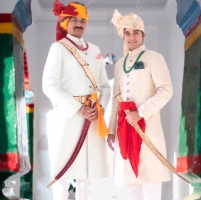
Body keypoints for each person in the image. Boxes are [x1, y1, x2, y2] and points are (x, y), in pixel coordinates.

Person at [42, 1, 111, 200]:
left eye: (83, 20)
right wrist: (78, 109)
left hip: (92, 117)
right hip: (67, 117)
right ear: (65, 22)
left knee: (86, 175)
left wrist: (100, 108)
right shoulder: (58, 48)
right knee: (62, 174)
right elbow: (49, 85)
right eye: (75, 20)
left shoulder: (95, 49)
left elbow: (105, 86)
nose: (79, 24)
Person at [107, 9, 173, 200]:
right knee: (132, 184)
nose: (131, 36)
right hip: (124, 130)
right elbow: (115, 98)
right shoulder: (119, 64)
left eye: (136, 32)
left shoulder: (154, 58)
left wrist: (141, 112)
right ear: (123, 35)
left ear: (143, 34)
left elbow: (166, 90)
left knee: (151, 181)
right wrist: (111, 129)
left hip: (148, 130)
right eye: (127, 32)